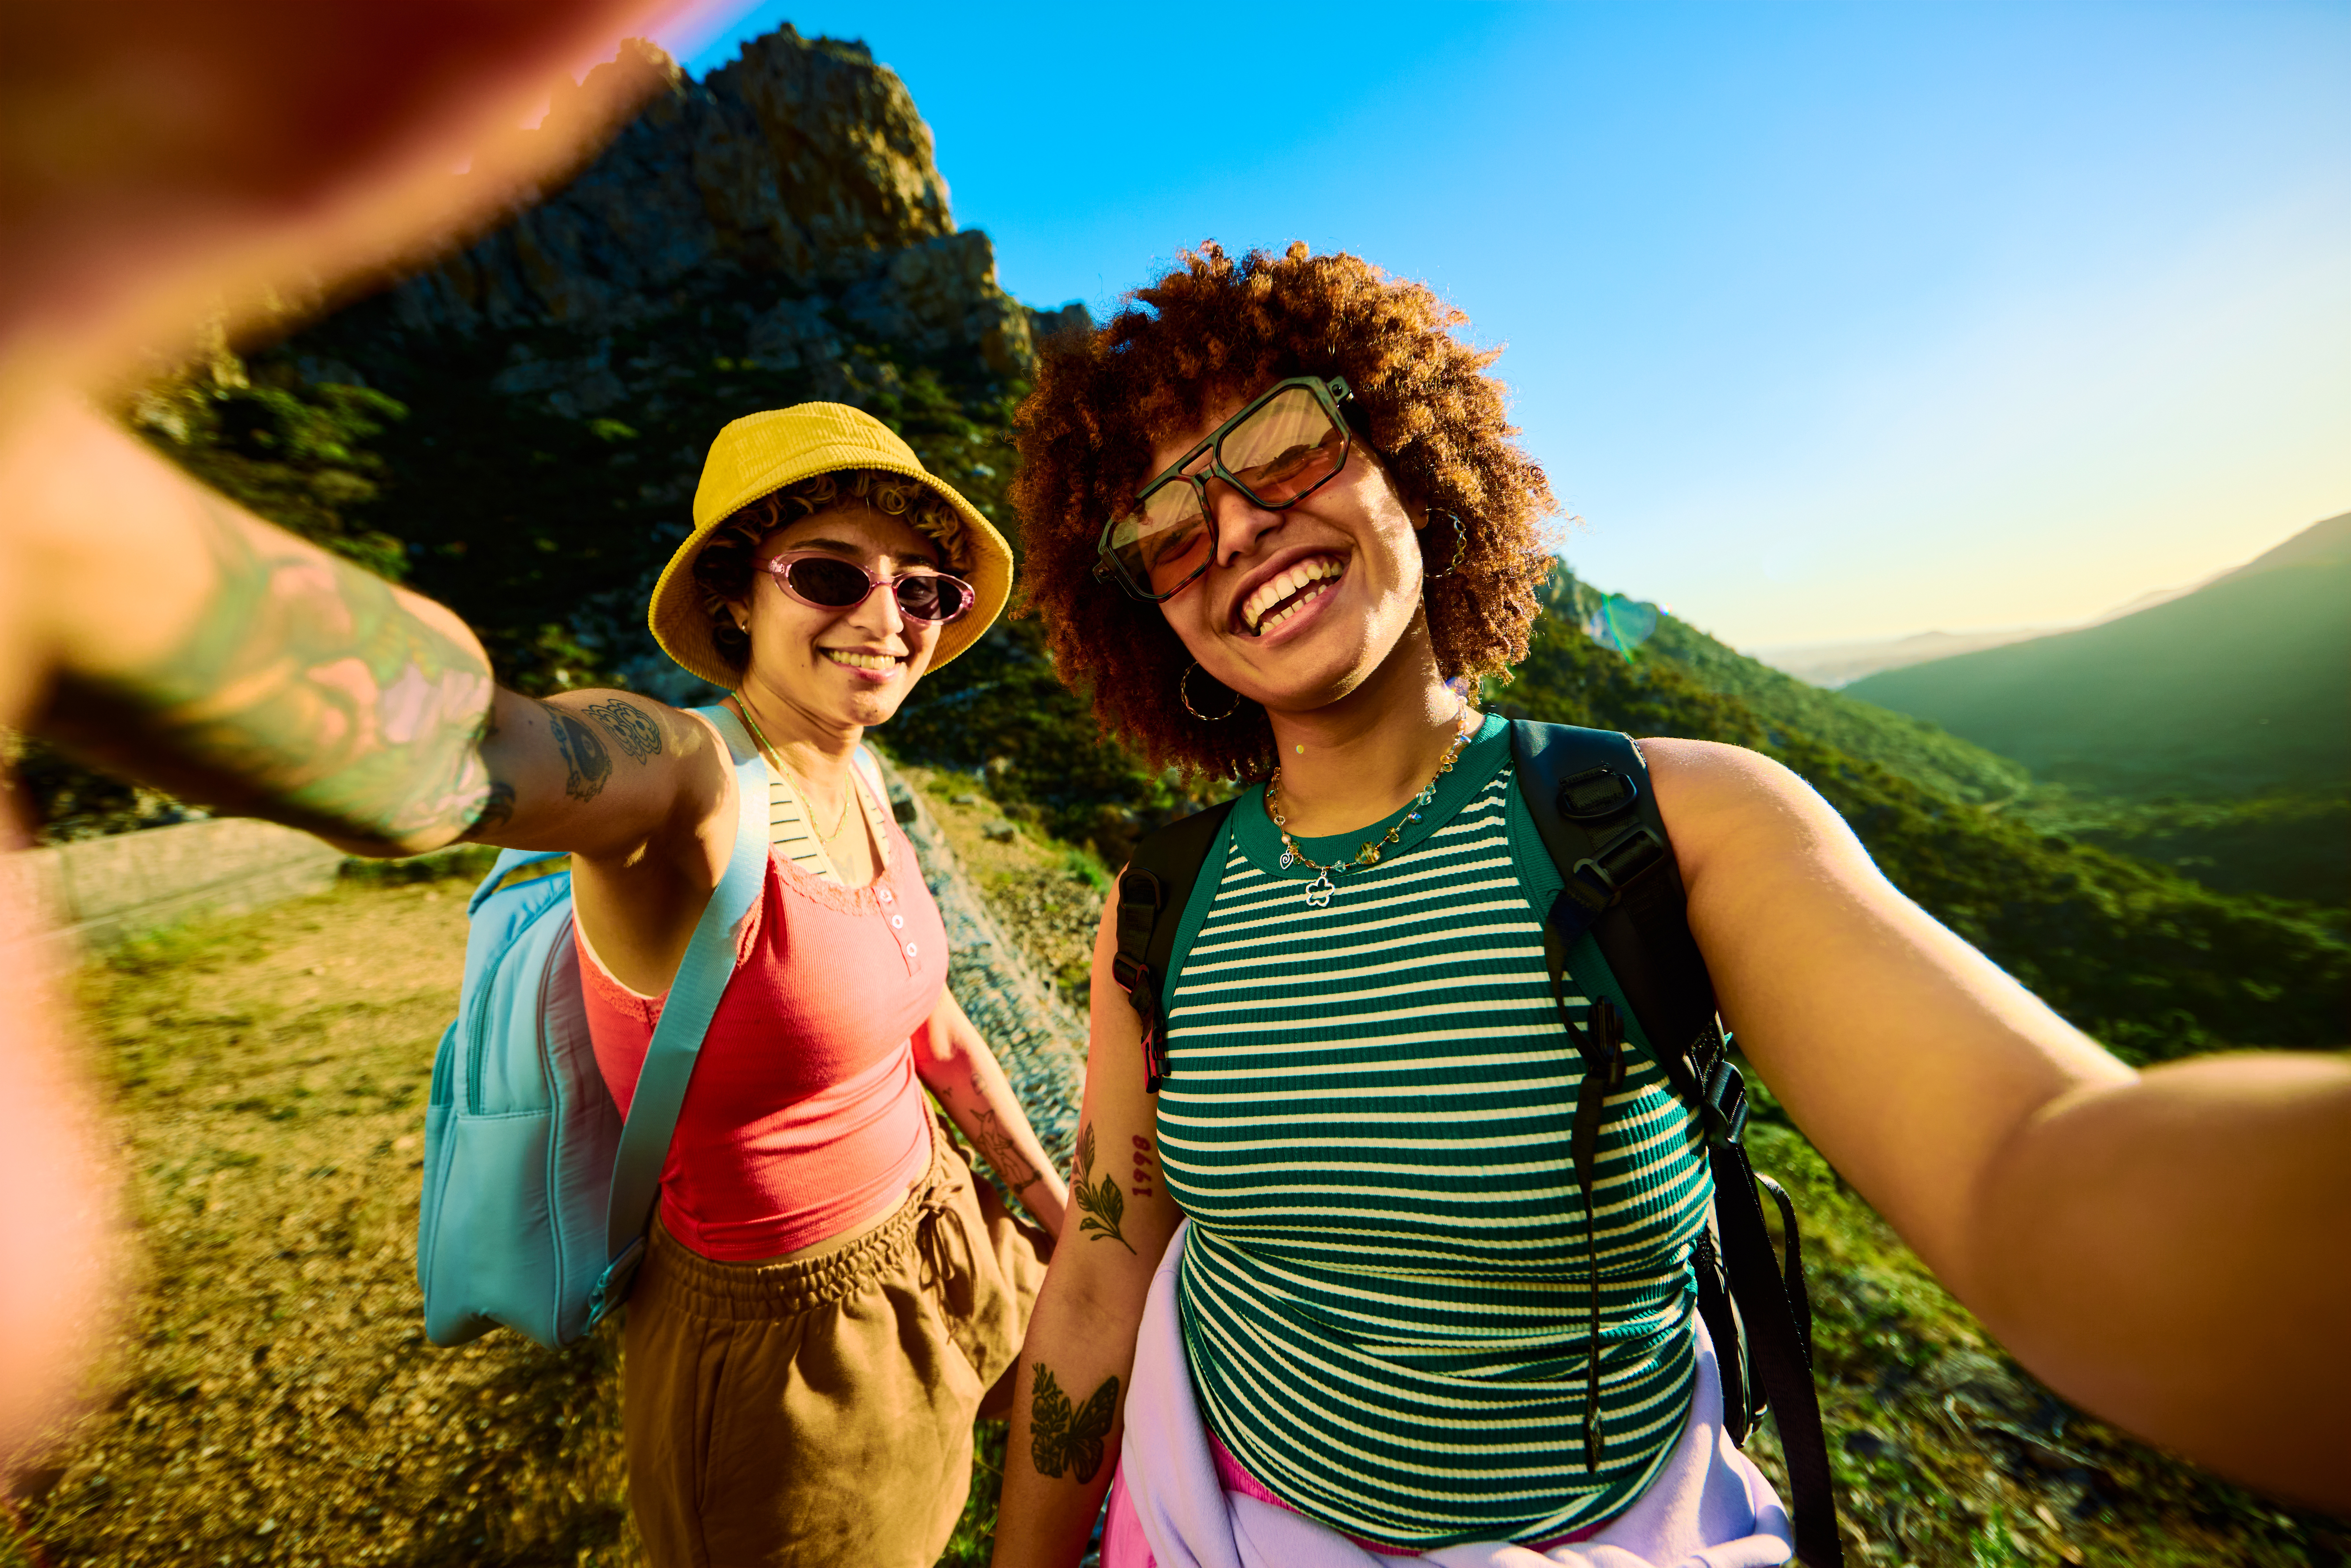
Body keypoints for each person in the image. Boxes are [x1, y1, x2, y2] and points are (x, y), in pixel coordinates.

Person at [985, 243, 2351, 1568]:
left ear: (1401, 450)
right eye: (1165, 528)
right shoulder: (1157, 905)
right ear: (1150, 614)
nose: (1232, 526)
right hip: (1202, 1518)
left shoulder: (1673, 828)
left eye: (1281, 444)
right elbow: (1104, 1278)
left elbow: (2025, 1161)